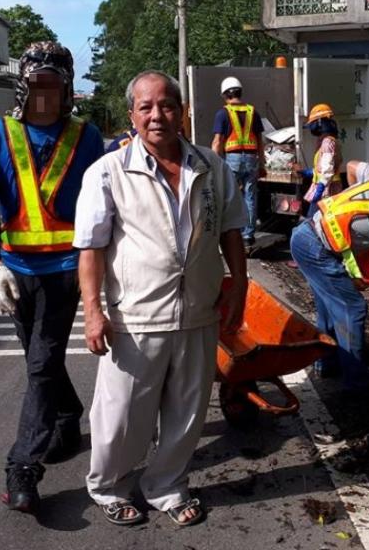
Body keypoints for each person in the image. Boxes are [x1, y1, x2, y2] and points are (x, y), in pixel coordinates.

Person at [74, 70, 248, 528]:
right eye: (146, 107)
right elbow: (90, 248)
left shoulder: (212, 166)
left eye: (167, 105)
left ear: (183, 111)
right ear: (131, 115)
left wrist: (240, 287)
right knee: (122, 414)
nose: (157, 116)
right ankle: (109, 485)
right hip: (136, 315)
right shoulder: (107, 172)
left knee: (187, 413)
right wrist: (93, 312)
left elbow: (231, 231)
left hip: (198, 311)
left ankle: (166, 485)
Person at [0, 41, 106, 514]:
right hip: (15, 271)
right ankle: (67, 417)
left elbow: (105, 204)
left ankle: (22, 466)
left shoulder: (87, 138)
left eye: (55, 84)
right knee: (37, 360)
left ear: (67, 88)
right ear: (23, 85)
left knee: (43, 364)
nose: (45, 92)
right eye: (36, 83)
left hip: (66, 270)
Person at [289, 159, 369, 391]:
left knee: (330, 307)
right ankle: (357, 384)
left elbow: (350, 166)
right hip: (313, 246)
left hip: (308, 234)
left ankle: (327, 363)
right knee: (353, 308)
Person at [211, 76, 266, 249]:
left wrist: (214, 164)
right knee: (250, 197)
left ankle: (231, 232)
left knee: (231, 197)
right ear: (240, 92)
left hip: (232, 159)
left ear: (225, 95)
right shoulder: (253, 112)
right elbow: (259, 139)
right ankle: (248, 235)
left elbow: (218, 141)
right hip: (251, 158)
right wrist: (262, 164)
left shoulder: (223, 113)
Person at [295, 102, 343, 213]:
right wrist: (306, 172)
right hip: (327, 188)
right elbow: (323, 168)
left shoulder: (327, 143)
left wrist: (319, 190)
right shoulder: (328, 142)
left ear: (320, 123)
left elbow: (327, 171)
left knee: (312, 224)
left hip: (327, 191)